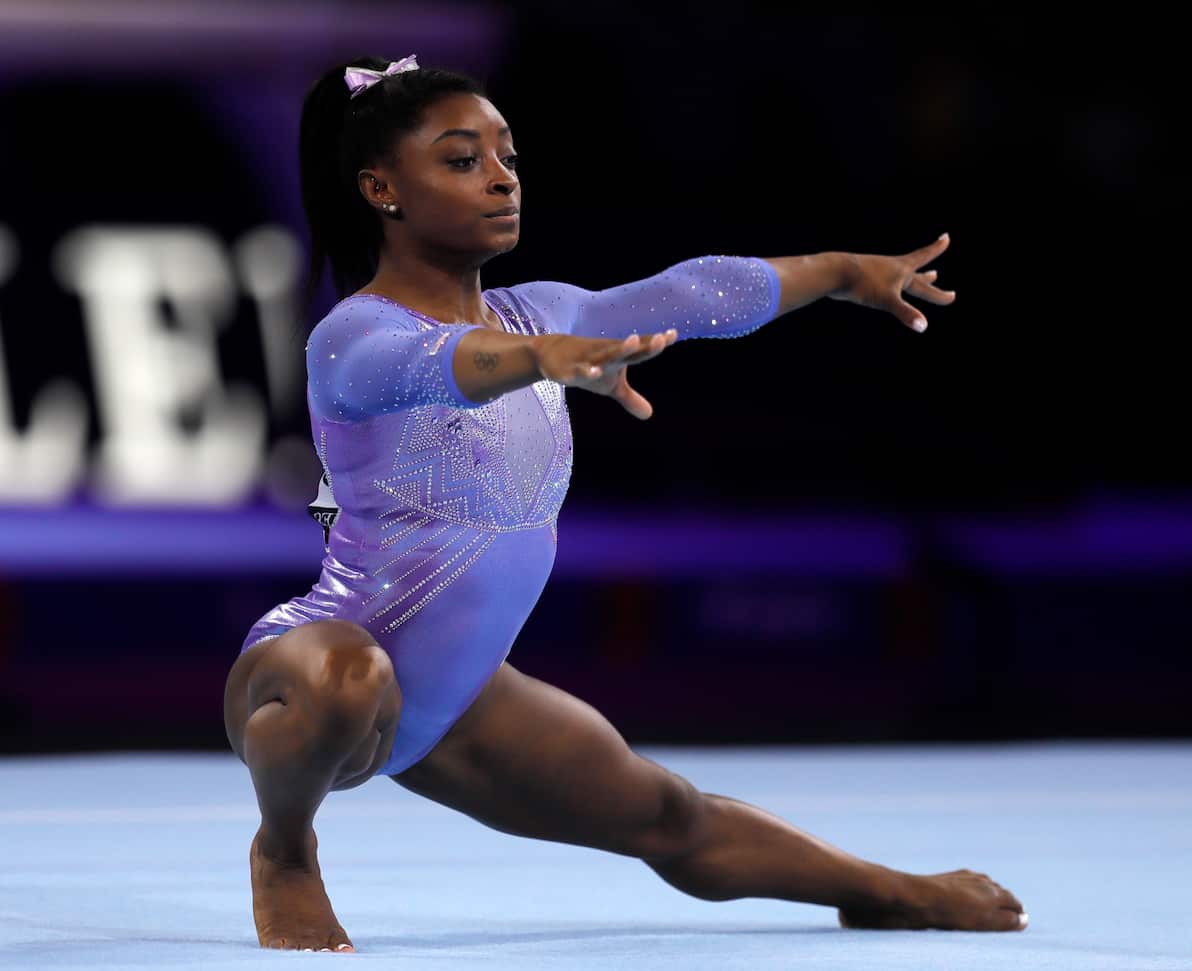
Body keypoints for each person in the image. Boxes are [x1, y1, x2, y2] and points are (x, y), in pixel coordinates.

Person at [222, 54, 1027, 953]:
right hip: (304, 665)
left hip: (449, 706)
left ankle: (885, 889)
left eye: (508, 157)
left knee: (669, 815)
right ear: (381, 188)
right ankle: (285, 849)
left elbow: (691, 294)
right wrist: (538, 360)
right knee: (349, 674)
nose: (501, 178)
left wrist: (837, 269)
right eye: (462, 160)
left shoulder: (544, 314)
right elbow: (437, 365)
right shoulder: (354, 332)